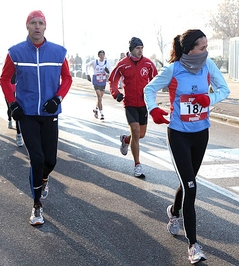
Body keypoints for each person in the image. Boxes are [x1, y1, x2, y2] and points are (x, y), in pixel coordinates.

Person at [143, 29, 230, 264]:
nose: (206, 51)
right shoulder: (173, 69)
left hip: (201, 134)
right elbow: (148, 89)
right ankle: (193, 245)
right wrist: (153, 109)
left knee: (187, 182)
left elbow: (225, 90)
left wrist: (208, 99)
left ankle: (173, 211)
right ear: (190, 48)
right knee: (191, 187)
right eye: (202, 47)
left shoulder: (208, 65)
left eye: (206, 47)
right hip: (179, 134)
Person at [0, 10, 72, 226]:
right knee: (37, 159)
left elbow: (67, 77)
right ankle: (37, 205)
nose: (37, 26)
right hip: (27, 113)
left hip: (50, 113)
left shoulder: (58, 52)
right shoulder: (15, 52)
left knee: (50, 160)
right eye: (33, 23)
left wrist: (58, 98)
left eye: (41, 23)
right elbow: (4, 79)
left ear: (45, 26)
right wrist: (13, 103)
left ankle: (43, 179)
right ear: (27, 26)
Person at [108, 37, 157, 178]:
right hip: (129, 103)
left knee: (141, 134)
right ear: (131, 49)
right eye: (138, 48)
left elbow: (156, 80)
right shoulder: (122, 64)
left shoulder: (148, 63)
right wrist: (115, 93)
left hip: (143, 104)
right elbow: (113, 80)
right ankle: (137, 165)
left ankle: (126, 140)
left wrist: (154, 97)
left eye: (142, 48)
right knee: (135, 131)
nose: (140, 50)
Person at [85, 50, 112, 120]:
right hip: (96, 81)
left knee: (100, 98)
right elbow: (87, 66)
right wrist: (87, 74)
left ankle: (96, 109)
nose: (102, 56)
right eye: (101, 55)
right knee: (99, 96)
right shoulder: (95, 62)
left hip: (103, 81)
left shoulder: (107, 63)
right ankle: (102, 114)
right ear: (98, 55)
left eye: (103, 55)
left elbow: (110, 72)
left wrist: (107, 72)